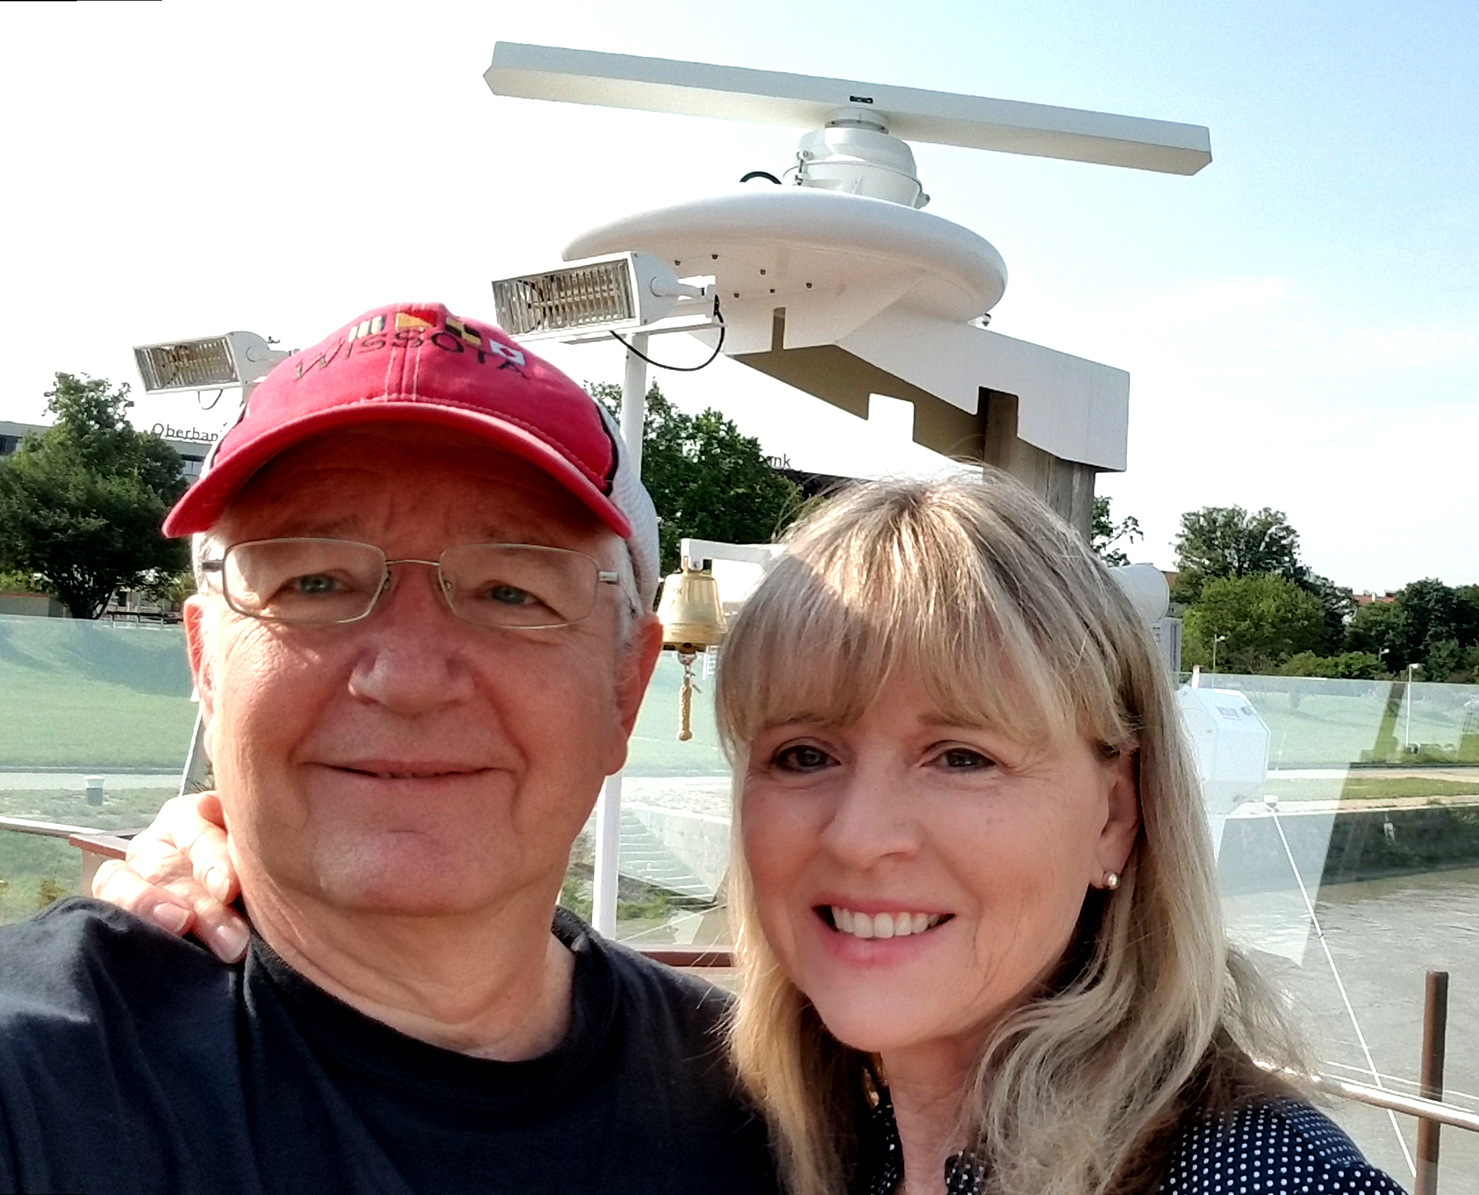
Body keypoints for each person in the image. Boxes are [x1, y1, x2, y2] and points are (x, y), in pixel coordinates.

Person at [101, 472, 1408, 1194]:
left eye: (961, 754)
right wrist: (254, 848)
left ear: (1114, 809)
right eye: (803, 754)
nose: (862, 833)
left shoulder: (1256, 1178)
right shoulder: (778, 1131)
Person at [0, 302, 777, 1195]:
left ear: (625, 689)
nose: (407, 677)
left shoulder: (766, 1117)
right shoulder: (39, 1077)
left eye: (510, 591)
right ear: (206, 665)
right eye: (315, 581)